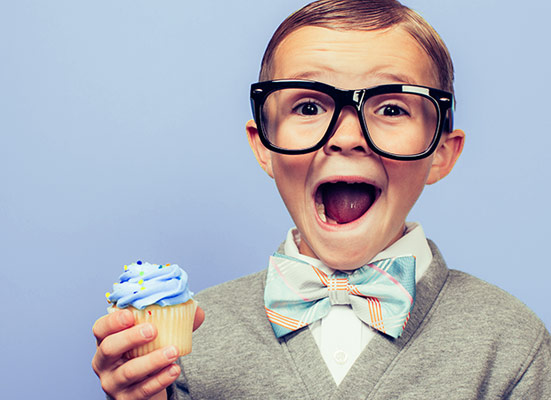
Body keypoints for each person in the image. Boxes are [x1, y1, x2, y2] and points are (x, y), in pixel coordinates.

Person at [92, 0, 551, 398]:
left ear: (440, 154)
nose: (348, 138)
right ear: (263, 145)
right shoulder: (190, 340)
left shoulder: (510, 341)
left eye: (391, 108)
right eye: (309, 107)